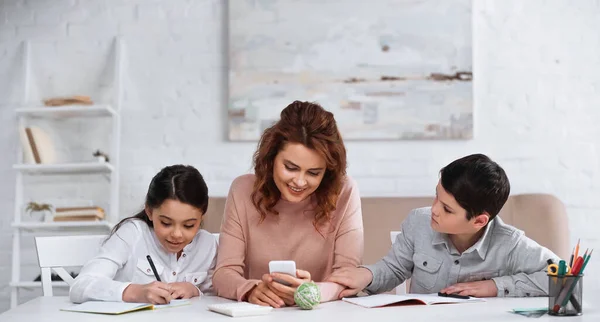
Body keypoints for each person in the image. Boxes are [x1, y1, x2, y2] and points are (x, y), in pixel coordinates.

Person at [329, 154, 559, 298]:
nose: (435, 210)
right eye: (436, 197)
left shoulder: (509, 244)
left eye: (447, 209)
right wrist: (366, 276)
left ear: (479, 220)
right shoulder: (419, 222)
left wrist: (495, 286)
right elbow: (394, 268)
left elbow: (562, 276)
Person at [213, 100, 364, 307]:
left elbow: (349, 275)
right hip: (258, 317)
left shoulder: (344, 192)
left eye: (313, 173)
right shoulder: (243, 190)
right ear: (271, 157)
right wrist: (250, 290)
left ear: (327, 172)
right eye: (290, 167)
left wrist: (310, 293)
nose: (300, 182)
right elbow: (223, 273)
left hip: (323, 318)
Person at [70, 165, 217, 304]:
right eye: (166, 223)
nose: (177, 234)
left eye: (189, 225)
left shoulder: (208, 245)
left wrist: (194, 290)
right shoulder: (133, 234)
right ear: (149, 211)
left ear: (201, 218)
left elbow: (217, 298)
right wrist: (134, 292)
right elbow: (80, 286)